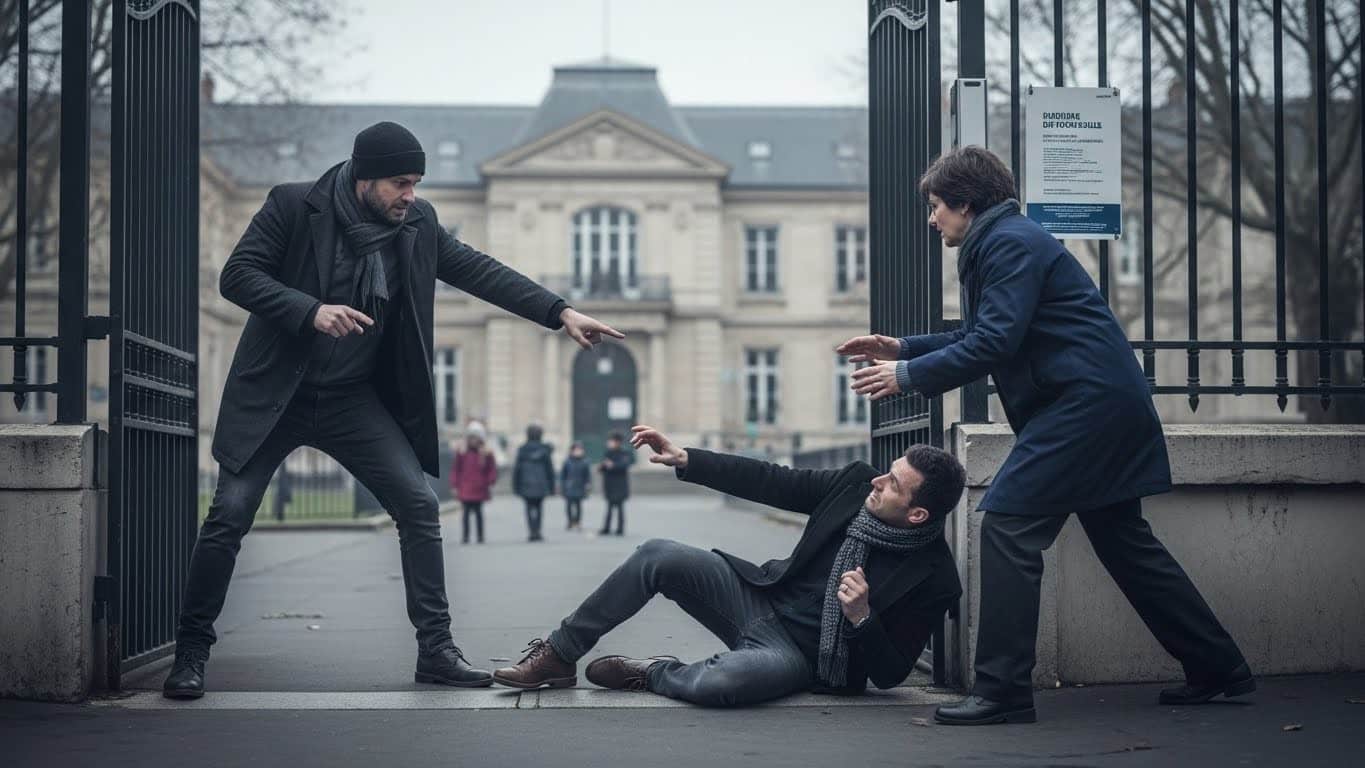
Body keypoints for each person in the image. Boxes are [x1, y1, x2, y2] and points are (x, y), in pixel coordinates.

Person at [163, 121, 623, 700]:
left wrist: (560, 312)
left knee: (418, 505)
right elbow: (238, 276)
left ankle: (436, 651)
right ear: (363, 178)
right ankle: (189, 653)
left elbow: (479, 271)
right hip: (278, 392)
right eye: (400, 183)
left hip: (354, 399)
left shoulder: (418, 223)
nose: (411, 195)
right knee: (228, 515)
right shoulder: (291, 205)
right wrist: (310, 311)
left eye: (416, 182)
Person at [839, 146, 1252, 725]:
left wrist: (907, 375)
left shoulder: (1007, 243)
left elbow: (994, 343)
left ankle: (1003, 690)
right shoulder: (1012, 239)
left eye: (936, 207)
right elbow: (991, 330)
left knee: (1006, 525)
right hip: (1096, 407)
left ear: (965, 203)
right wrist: (904, 348)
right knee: (1125, 545)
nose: (932, 219)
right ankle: (1218, 665)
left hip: (1082, 411)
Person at [491, 425, 965, 708]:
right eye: (889, 469)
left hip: (796, 658)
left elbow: (890, 673)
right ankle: (557, 654)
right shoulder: (854, 486)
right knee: (657, 554)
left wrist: (862, 617)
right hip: (757, 599)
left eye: (894, 484)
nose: (879, 480)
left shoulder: (933, 577)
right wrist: (688, 459)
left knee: (726, 682)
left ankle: (655, 673)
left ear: (918, 514)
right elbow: (772, 481)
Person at [451, 421, 497, 544]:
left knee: (478, 513)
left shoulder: (486, 453)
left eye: (475, 437)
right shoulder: (462, 452)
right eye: (471, 437)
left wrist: (490, 482)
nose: (473, 440)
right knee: (465, 513)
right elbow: (456, 469)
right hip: (465, 487)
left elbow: (491, 469)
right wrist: (455, 485)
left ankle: (480, 536)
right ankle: (465, 536)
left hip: (480, 487)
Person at [513, 425, 556, 542]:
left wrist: (515, 486)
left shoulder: (522, 450)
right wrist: (552, 487)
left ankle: (532, 531)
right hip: (541, 483)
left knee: (528, 508)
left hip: (525, 483)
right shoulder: (545, 450)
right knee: (539, 508)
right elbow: (550, 470)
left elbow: (517, 469)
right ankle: (537, 531)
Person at [597, 431, 634, 536]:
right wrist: (602, 467)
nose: (609, 443)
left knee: (620, 507)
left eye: (612, 441)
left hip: (620, 485)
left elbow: (624, 465)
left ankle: (620, 529)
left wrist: (612, 465)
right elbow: (604, 467)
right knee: (609, 507)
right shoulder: (608, 452)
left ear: (617, 442)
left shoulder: (624, 452)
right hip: (609, 484)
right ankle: (606, 528)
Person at [560, 441, 591, 530]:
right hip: (569, 486)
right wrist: (562, 484)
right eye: (576, 450)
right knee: (569, 505)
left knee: (578, 505)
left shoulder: (585, 462)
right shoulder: (567, 461)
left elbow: (587, 475)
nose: (578, 452)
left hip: (580, 486)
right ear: (572, 451)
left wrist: (588, 484)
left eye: (580, 450)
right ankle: (570, 521)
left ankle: (577, 522)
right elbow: (563, 475)